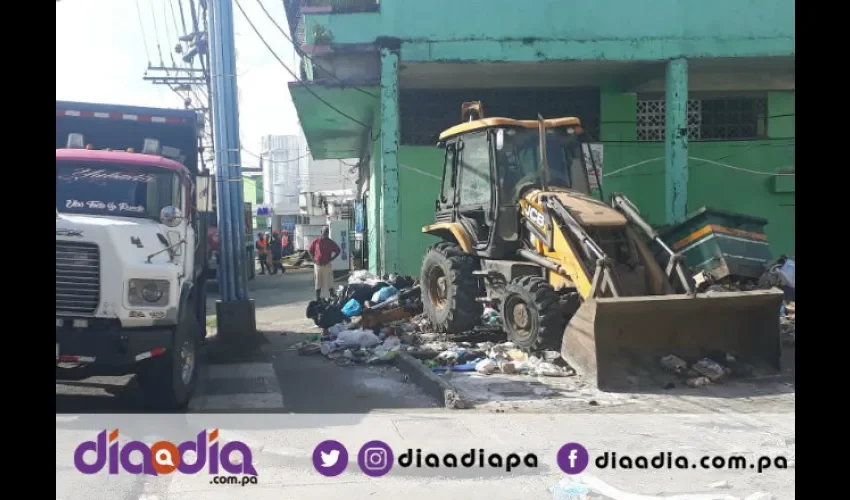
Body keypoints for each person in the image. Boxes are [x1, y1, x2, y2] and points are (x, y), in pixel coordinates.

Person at [308, 227, 341, 301]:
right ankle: (318, 297)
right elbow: (309, 250)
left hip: (327, 264)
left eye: (327, 232)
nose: (326, 234)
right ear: (321, 232)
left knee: (329, 280)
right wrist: (313, 260)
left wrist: (332, 259)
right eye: (324, 232)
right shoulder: (316, 241)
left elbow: (338, 250)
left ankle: (332, 295)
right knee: (318, 281)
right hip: (318, 265)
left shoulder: (330, 242)